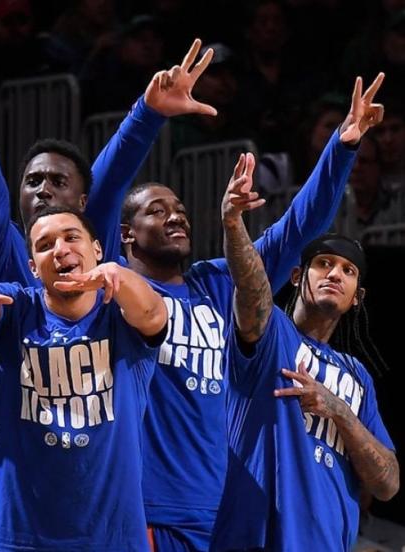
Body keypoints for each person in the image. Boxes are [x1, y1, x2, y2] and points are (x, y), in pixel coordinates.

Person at [95, 74, 386, 550]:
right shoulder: (113, 287)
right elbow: (103, 193)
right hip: (149, 511)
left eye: (180, 208)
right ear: (125, 234)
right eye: (157, 210)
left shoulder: (217, 283)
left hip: (227, 517)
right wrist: (148, 115)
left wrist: (343, 146)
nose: (176, 215)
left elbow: (298, 230)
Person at [0, 36, 218, 552]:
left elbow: (113, 176)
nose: (43, 189)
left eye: (58, 182)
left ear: (85, 209)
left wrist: (148, 113)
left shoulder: (99, 269)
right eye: (32, 181)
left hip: (84, 486)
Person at [0, 206, 169, 550]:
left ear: (97, 249)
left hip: (113, 540)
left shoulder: (121, 315)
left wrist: (118, 275)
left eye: (71, 237)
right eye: (45, 245)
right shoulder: (18, 306)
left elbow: (153, 313)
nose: (60, 250)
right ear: (33, 267)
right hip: (21, 540)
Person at [214, 156, 399, 550]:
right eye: (324, 264)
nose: (335, 274)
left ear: (356, 298)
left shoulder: (357, 376)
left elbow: (387, 484)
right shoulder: (272, 333)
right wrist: (233, 223)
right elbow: (250, 287)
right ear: (297, 277)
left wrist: (338, 410)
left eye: (348, 271)